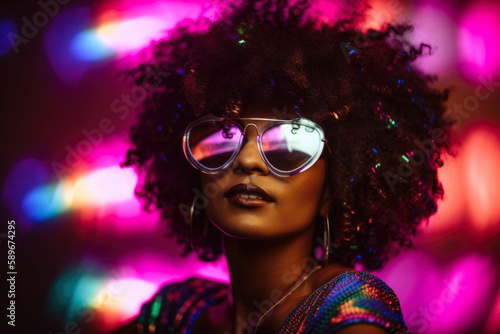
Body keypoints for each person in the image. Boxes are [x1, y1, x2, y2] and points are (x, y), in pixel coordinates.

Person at [116, 0, 455, 333]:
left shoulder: (351, 311)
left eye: (290, 146)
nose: (247, 160)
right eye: (222, 139)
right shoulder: (178, 311)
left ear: (332, 189)